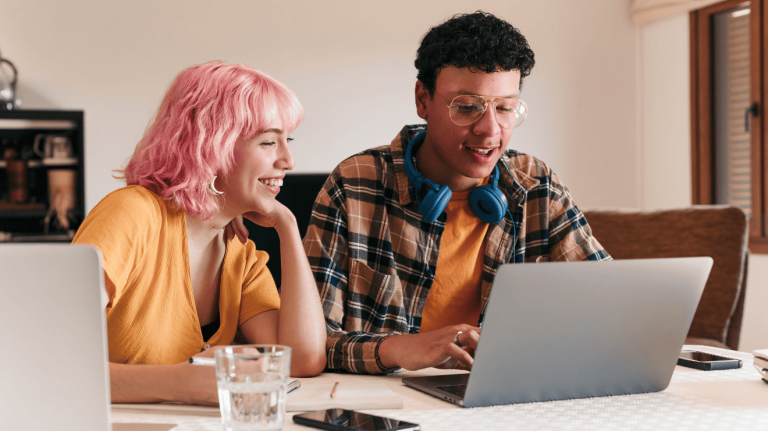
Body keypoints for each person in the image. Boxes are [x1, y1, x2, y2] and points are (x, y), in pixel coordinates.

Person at [302, 11, 611, 374]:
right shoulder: (353, 185)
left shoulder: (537, 186)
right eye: (467, 107)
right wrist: (398, 349)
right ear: (423, 100)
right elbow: (310, 342)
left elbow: (609, 309)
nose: (489, 129)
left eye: (506, 108)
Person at [72, 61, 326, 405]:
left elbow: (302, 360)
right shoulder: (132, 214)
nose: (289, 160)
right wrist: (182, 382)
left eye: (287, 140)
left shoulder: (241, 255)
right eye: (268, 142)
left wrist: (288, 227)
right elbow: (51, 357)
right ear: (211, 147)